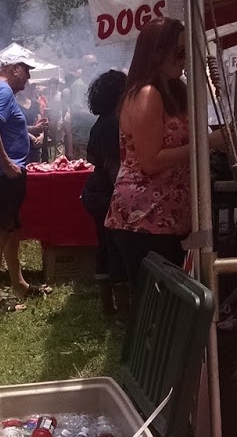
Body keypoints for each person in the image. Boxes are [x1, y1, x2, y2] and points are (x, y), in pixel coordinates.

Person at [107, 17, 225, 291]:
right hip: (144, 217)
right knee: (157, 304)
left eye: (187, 52)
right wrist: (207, 144)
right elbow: (150, 161)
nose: (184, 60)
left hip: (170, 215)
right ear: (157, 53)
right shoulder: (147, 94)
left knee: (173, 301)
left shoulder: (176, 89)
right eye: (180, 52)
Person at [0, 51, 43, 312]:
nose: (28, 78)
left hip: (1, 173)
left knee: (11, 230)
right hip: (2, 175)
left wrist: (27, 133)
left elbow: (2, 127)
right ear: (14, 68)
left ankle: (19, 283)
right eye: (26, 71)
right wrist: (6, 164)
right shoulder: (3, 91)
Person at [81, 69, 127, 317]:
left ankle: (108, 307)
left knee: (104, 246)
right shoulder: (112, 123)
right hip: (107, 193)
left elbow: (91, 156)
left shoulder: (99, 123)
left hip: (95, 191)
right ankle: (121, 308)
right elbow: (113, 165)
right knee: (115, 248)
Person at [18, 83, 49, 163]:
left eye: (26, 87)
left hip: (36, 144)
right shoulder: (14, 105)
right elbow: (17, 126)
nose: (23, 89)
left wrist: (41, 136)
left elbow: (40, 121)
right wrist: (31, 137)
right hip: (22, 144)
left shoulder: (35, 104)